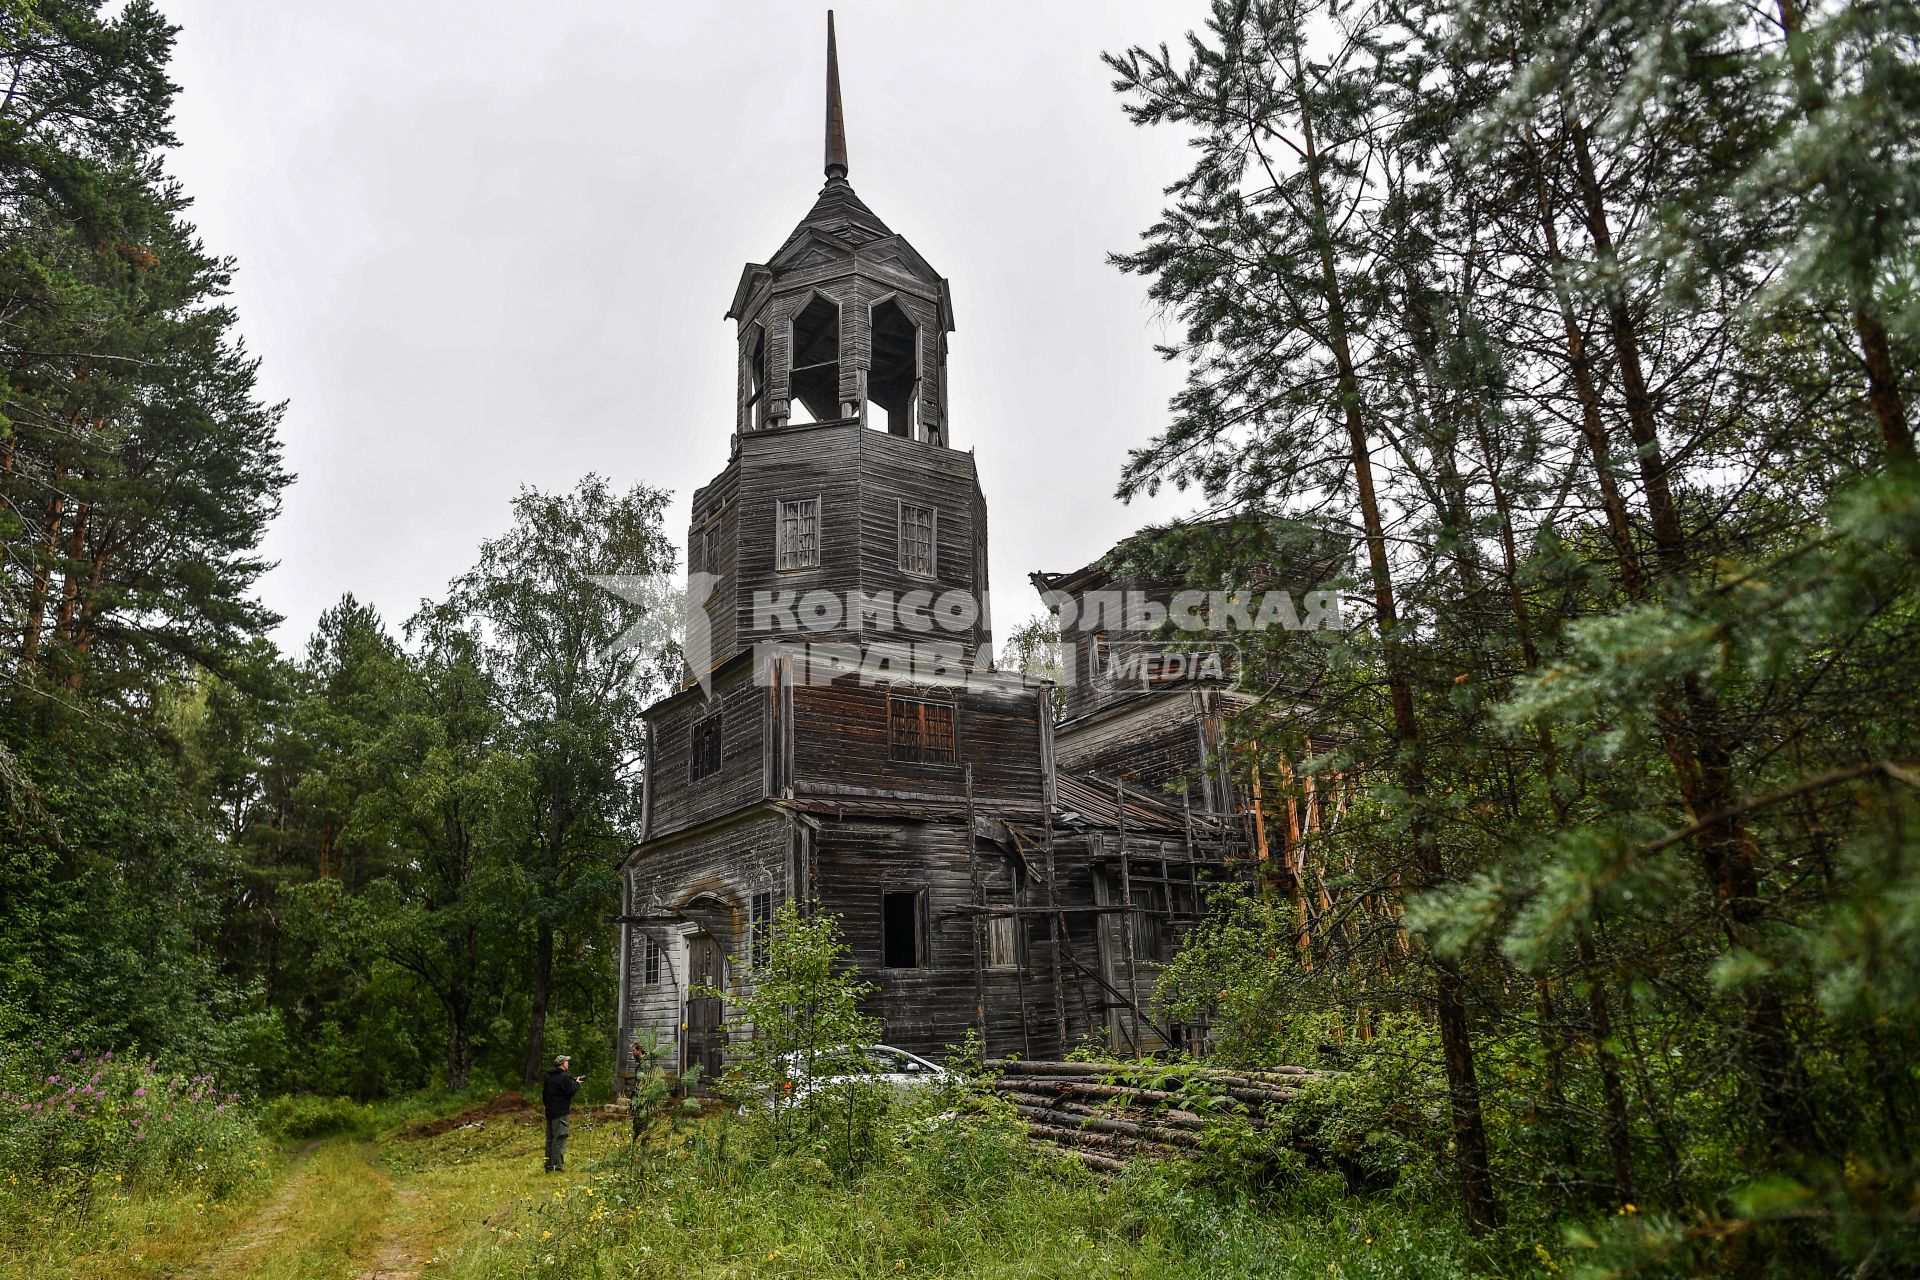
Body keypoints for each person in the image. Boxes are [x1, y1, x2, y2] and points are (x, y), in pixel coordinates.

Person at [542, 1053, 583, 1172]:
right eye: (567, 1062)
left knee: (550, 1139)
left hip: (550, 1112)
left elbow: (544, 1095)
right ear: (563, 1064)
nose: (568, 1063)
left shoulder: (549, 1077)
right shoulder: (565, 1077)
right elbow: (570, 1091)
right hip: (560, 1113)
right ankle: (557, 1166)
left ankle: (549, 1166)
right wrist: (576, 1084)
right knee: (559, 1138)